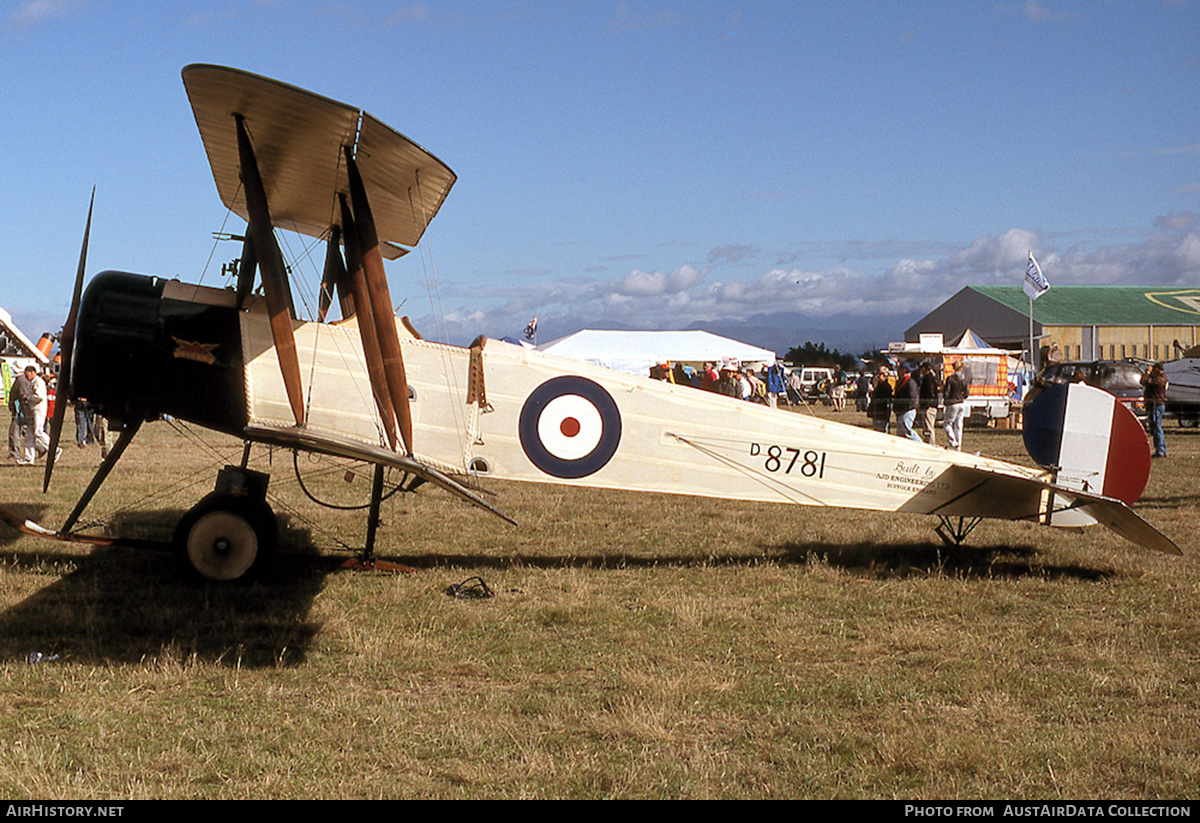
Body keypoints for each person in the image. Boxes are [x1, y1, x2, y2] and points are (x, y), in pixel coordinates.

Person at [17, 365, 51, 465]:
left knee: (38, 432)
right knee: (29, 435)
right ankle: (28, 457)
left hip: (38, 411)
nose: (26, 377)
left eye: (27, 374)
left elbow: (39, 396)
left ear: (32, 373)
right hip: (32, 411)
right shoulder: (32, 383)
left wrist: (28, 397)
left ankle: (54, 448)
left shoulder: (38, 382)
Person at [1142, 363, 1169, 458]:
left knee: (1157, 427)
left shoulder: (1159, 379)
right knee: (1154, 427)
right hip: (1155, 404)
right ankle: (1160, 449)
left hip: (1157, 404)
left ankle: (1161, 450)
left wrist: (1148, 372)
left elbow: (1144, 381)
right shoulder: (1161, 377)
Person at [942, 360, 969, 450]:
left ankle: (953, 442)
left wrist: (945, 400)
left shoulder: (950, 379)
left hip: (952, 403)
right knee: (958, 424)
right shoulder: (963, 379)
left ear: (953, 368)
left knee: (947, 424)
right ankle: (959, 444)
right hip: (961, 403)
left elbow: (947, 392)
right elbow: (966, 394)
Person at [892, 363, 921, 442]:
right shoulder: (901, 382)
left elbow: (912, 398)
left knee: (907, 431)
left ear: (904, 370)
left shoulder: (910, 382)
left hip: (907, 410)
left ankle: (920, 444)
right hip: (901, 411)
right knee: (900, 433)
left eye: (899, 370)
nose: (898, 371)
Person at [918, 362, 941, 445]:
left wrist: (926, 404)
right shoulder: (930, 378)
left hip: (929, 407)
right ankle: (928, 442)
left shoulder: (928, 379)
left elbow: (930, 393)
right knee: (927, 426)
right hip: (931, 405)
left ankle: (931, 444)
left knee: (929, 427)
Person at [867, 367, 893, 433]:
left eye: (880, 374)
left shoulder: (886, 386)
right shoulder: (878, 385)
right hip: (876, 413)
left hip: (882, 413)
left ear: (885, 375)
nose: (878, 376)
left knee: (881, 431)